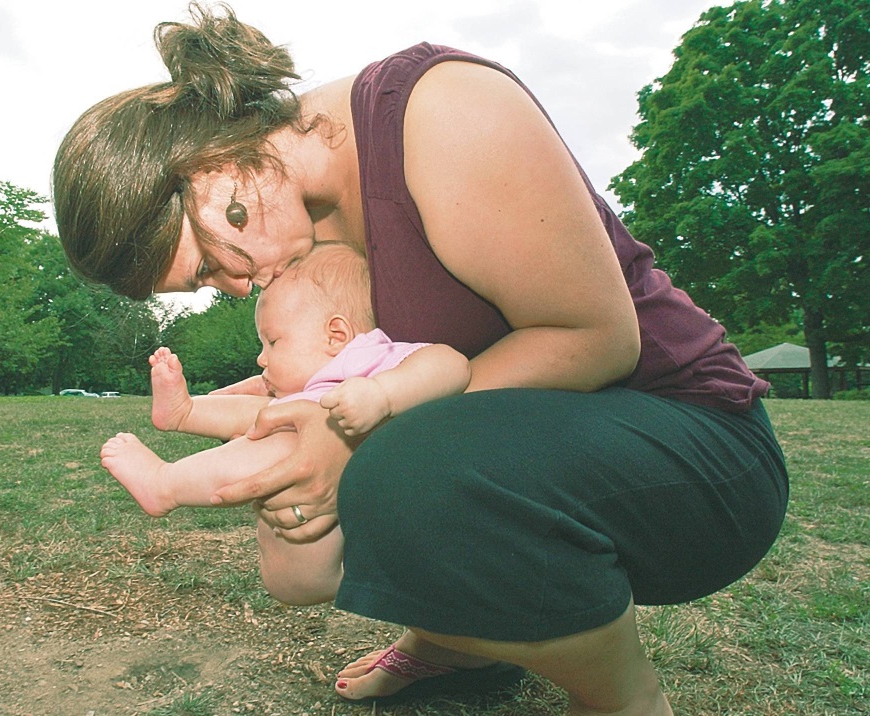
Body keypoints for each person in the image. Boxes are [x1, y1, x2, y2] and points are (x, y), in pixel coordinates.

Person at [53, 4, 789, 713]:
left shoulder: (442, 115)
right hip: (548, 444)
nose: (235, 287)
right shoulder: (304, 229)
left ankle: (622, 696)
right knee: (383, 451)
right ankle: (462, 645)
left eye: (208, 266)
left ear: (210, 170)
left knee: (403, 464)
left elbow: (597, 338)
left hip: (697, 450)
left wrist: (353, 436)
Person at [100, 242, 471, 606]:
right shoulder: (307, 386)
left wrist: (382, 394)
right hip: (297, 547)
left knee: (278, 441)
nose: (262, 358)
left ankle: (164, 484)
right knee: (270, 415)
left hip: (338, 525)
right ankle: (184, 412)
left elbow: (452, 364)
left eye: (273, 342)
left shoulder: (372, 358)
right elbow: (252, 410)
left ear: (336, 335)